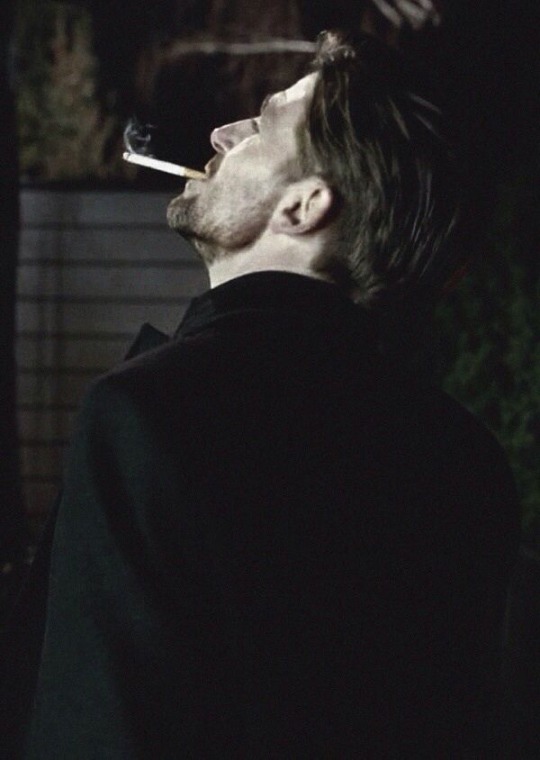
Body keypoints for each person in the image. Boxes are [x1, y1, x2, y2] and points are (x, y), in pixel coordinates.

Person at [4, 31, 520, 758]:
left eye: (264, 123)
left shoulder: (154, 417)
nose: (223, 133)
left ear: (305, 206)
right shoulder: (466, 460)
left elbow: (96, 728)